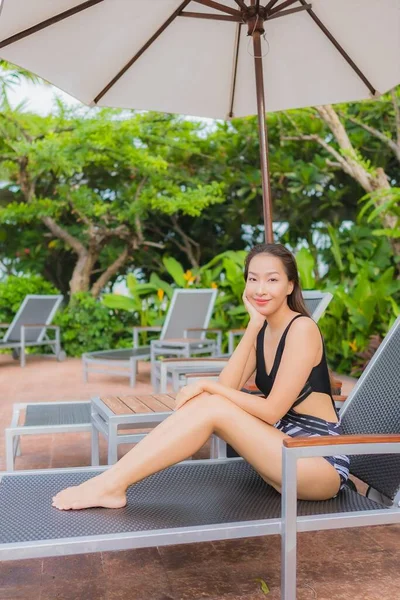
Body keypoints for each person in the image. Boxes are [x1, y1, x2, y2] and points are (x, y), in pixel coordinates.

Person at [52, 243, 350, 511]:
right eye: (253, 279)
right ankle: (112, 480)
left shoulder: (302, 329)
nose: (260, 289)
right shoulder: (264, 329)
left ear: (290, 286)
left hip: (318, 463)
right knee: (209, 401)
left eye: (272, 279)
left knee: (211, 401)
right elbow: (226, 388)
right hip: (284, 455)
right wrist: (253, 327)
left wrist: (206, 385)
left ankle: (112, 484)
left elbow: (271, 409)